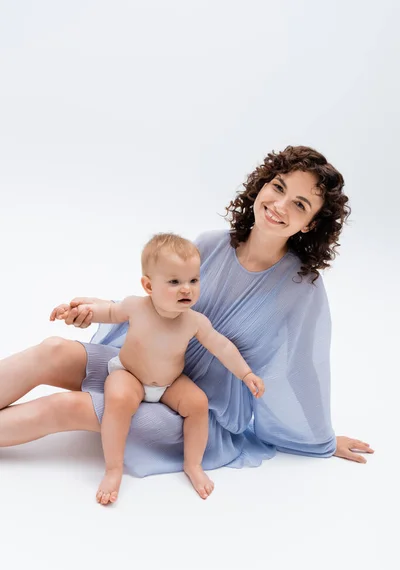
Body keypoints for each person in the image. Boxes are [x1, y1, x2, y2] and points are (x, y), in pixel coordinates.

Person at [0, 145, 374, 497]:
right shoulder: (211, 244)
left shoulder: (300, 288)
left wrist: (321, 439)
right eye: (278, 187)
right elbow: (161, 301)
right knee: (51, 351)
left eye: (300, 203)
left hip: (195, 409)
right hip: (144, 367)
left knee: (65, 407)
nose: (279, 205)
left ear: (309, 224)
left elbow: (302, 370)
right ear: (263, 185)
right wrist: (99, 306)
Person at [50, 233, 264, 503]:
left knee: (197, 403)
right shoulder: (136, 307)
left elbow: (221, 346)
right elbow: (106, 310)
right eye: (174, 282)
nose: (186, 289)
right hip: (129, 374)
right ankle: (114, 468)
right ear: (148, 285)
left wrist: (246, 373)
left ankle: (193, 465)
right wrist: (75, 309)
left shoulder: (194, 321)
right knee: (118, 399)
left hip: (169, 384)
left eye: (193, 280)